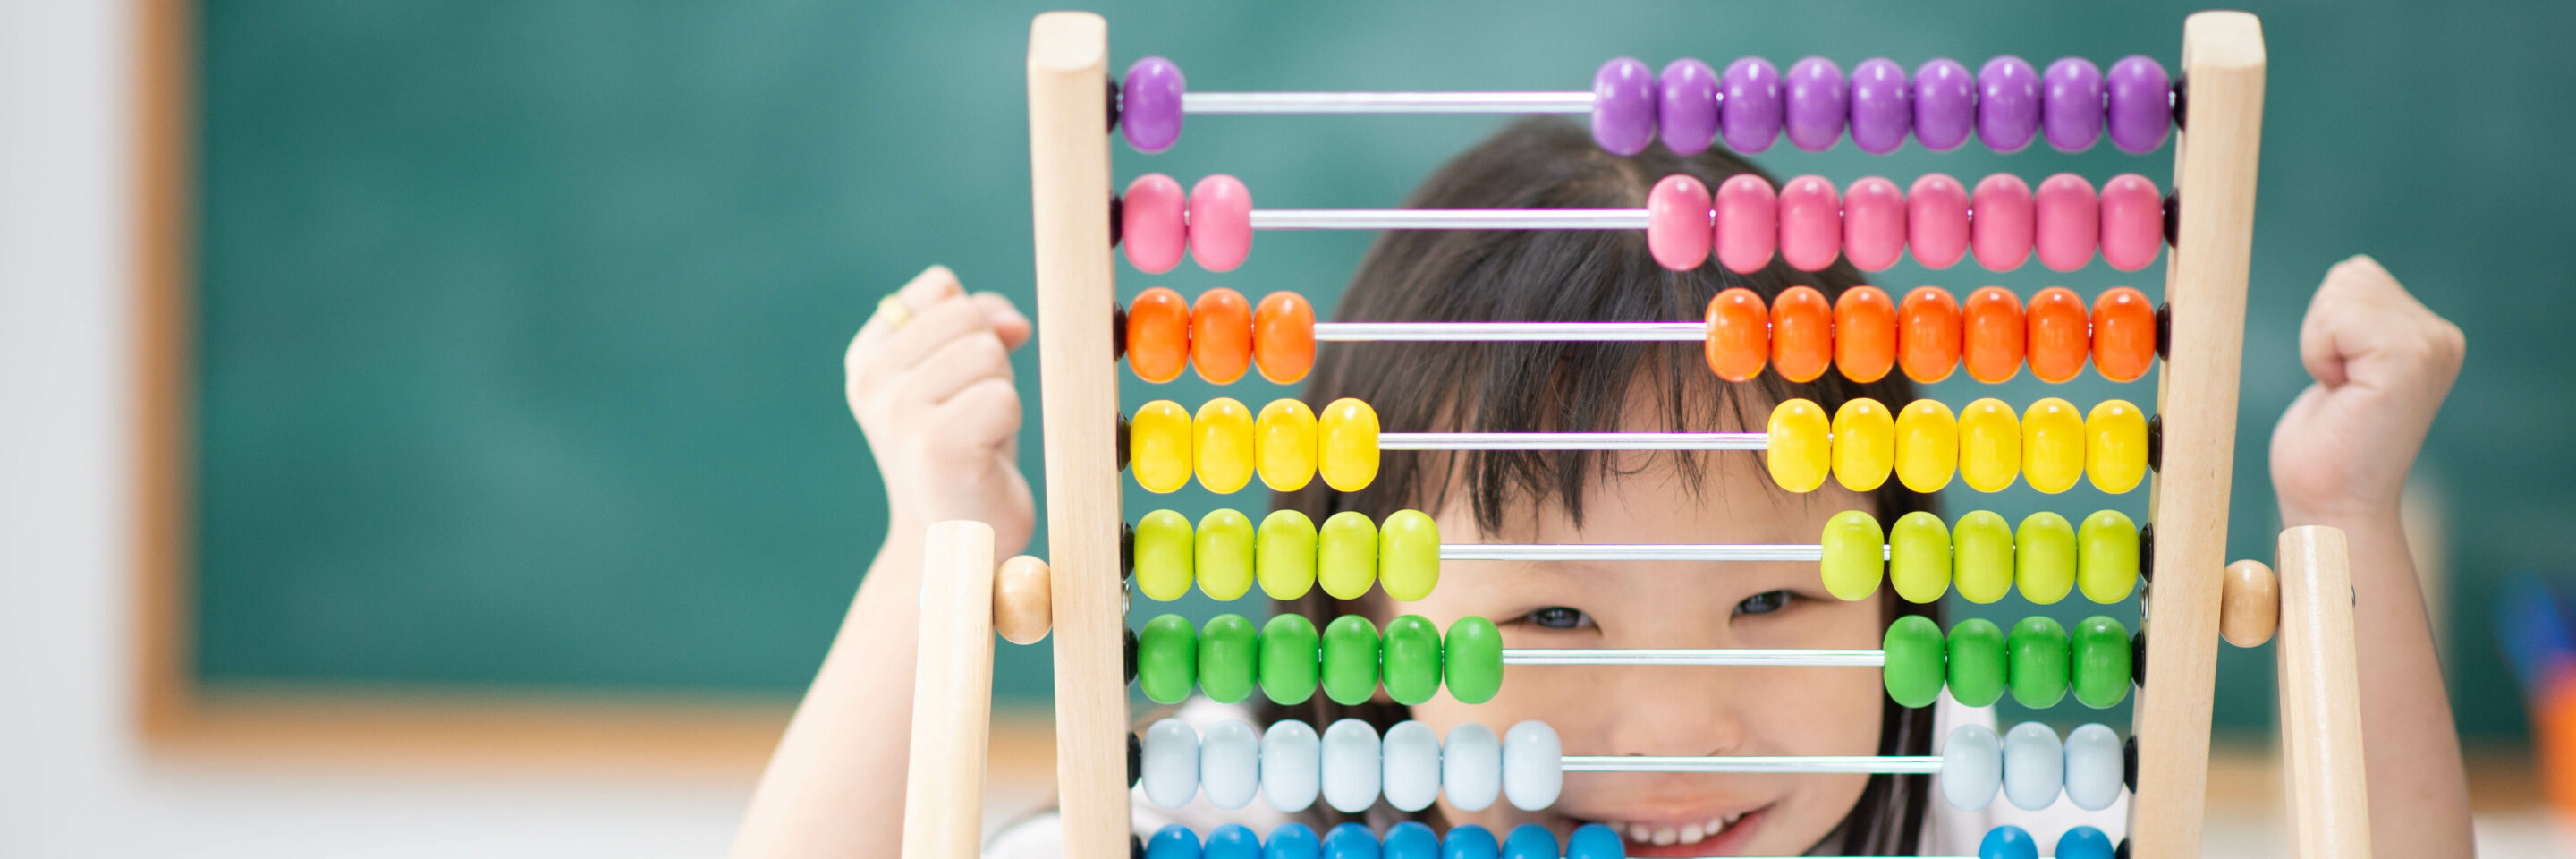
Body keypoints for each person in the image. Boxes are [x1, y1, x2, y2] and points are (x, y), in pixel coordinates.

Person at [730, 118, 2470, 858]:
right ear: (1367, 614)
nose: (1676, 725)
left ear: (1904, 605)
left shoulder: (1978, 819)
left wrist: (2341, 535)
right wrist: (933, 556)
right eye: (1551, 616)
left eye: (1776, 601)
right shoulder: (1245, 814)